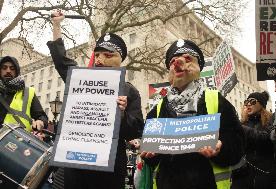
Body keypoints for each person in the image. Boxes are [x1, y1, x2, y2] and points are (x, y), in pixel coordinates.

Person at [47, 11, 144, 189]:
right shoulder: (80, 78)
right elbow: (61, 60)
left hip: (110, 167)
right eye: (98, 54)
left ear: (120, 59)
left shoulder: (130, 91)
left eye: (108, 55)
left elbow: (136, 129)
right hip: (76, 163)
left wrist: (121, 115)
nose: (100, 59)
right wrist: (57, 26)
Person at [140, 39, 244, 189]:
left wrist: (221, 148)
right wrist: (149, 154)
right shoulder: (156, 110)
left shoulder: (216, 101)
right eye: (173, 61)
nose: (178, 63)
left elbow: (237, 146)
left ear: (198, 67)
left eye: (187, 59)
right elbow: (152, 160)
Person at [231, 91, 274, 189]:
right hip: (241, 175)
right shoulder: (242, 123)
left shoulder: (270, 120)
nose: (248, 104)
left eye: (252, 101)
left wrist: (241, 128)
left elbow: (265, 138)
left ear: (261, 104)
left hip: (263, 174)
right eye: (246, 102)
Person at [0, 56, 48, 132]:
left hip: (17, 140)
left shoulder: (28, 92)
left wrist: (40, 122)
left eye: (12, 68)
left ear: (17, 71)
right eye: (4, 68)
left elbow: (42, 116)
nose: (8, 71)